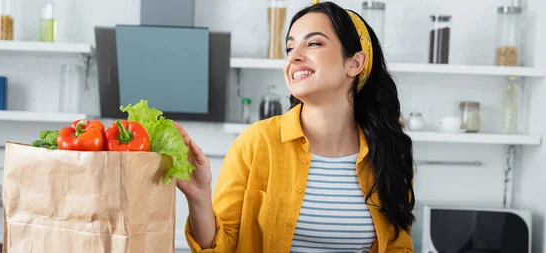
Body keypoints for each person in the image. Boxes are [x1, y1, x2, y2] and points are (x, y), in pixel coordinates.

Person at [174, 1, 415, 252]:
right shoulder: (256, 142)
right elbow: (221, 247)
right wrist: (199, 195)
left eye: (314, 43)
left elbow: (399, 247)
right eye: (290, 47)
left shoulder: (388, 152)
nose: (294, 56)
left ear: (354, 63)